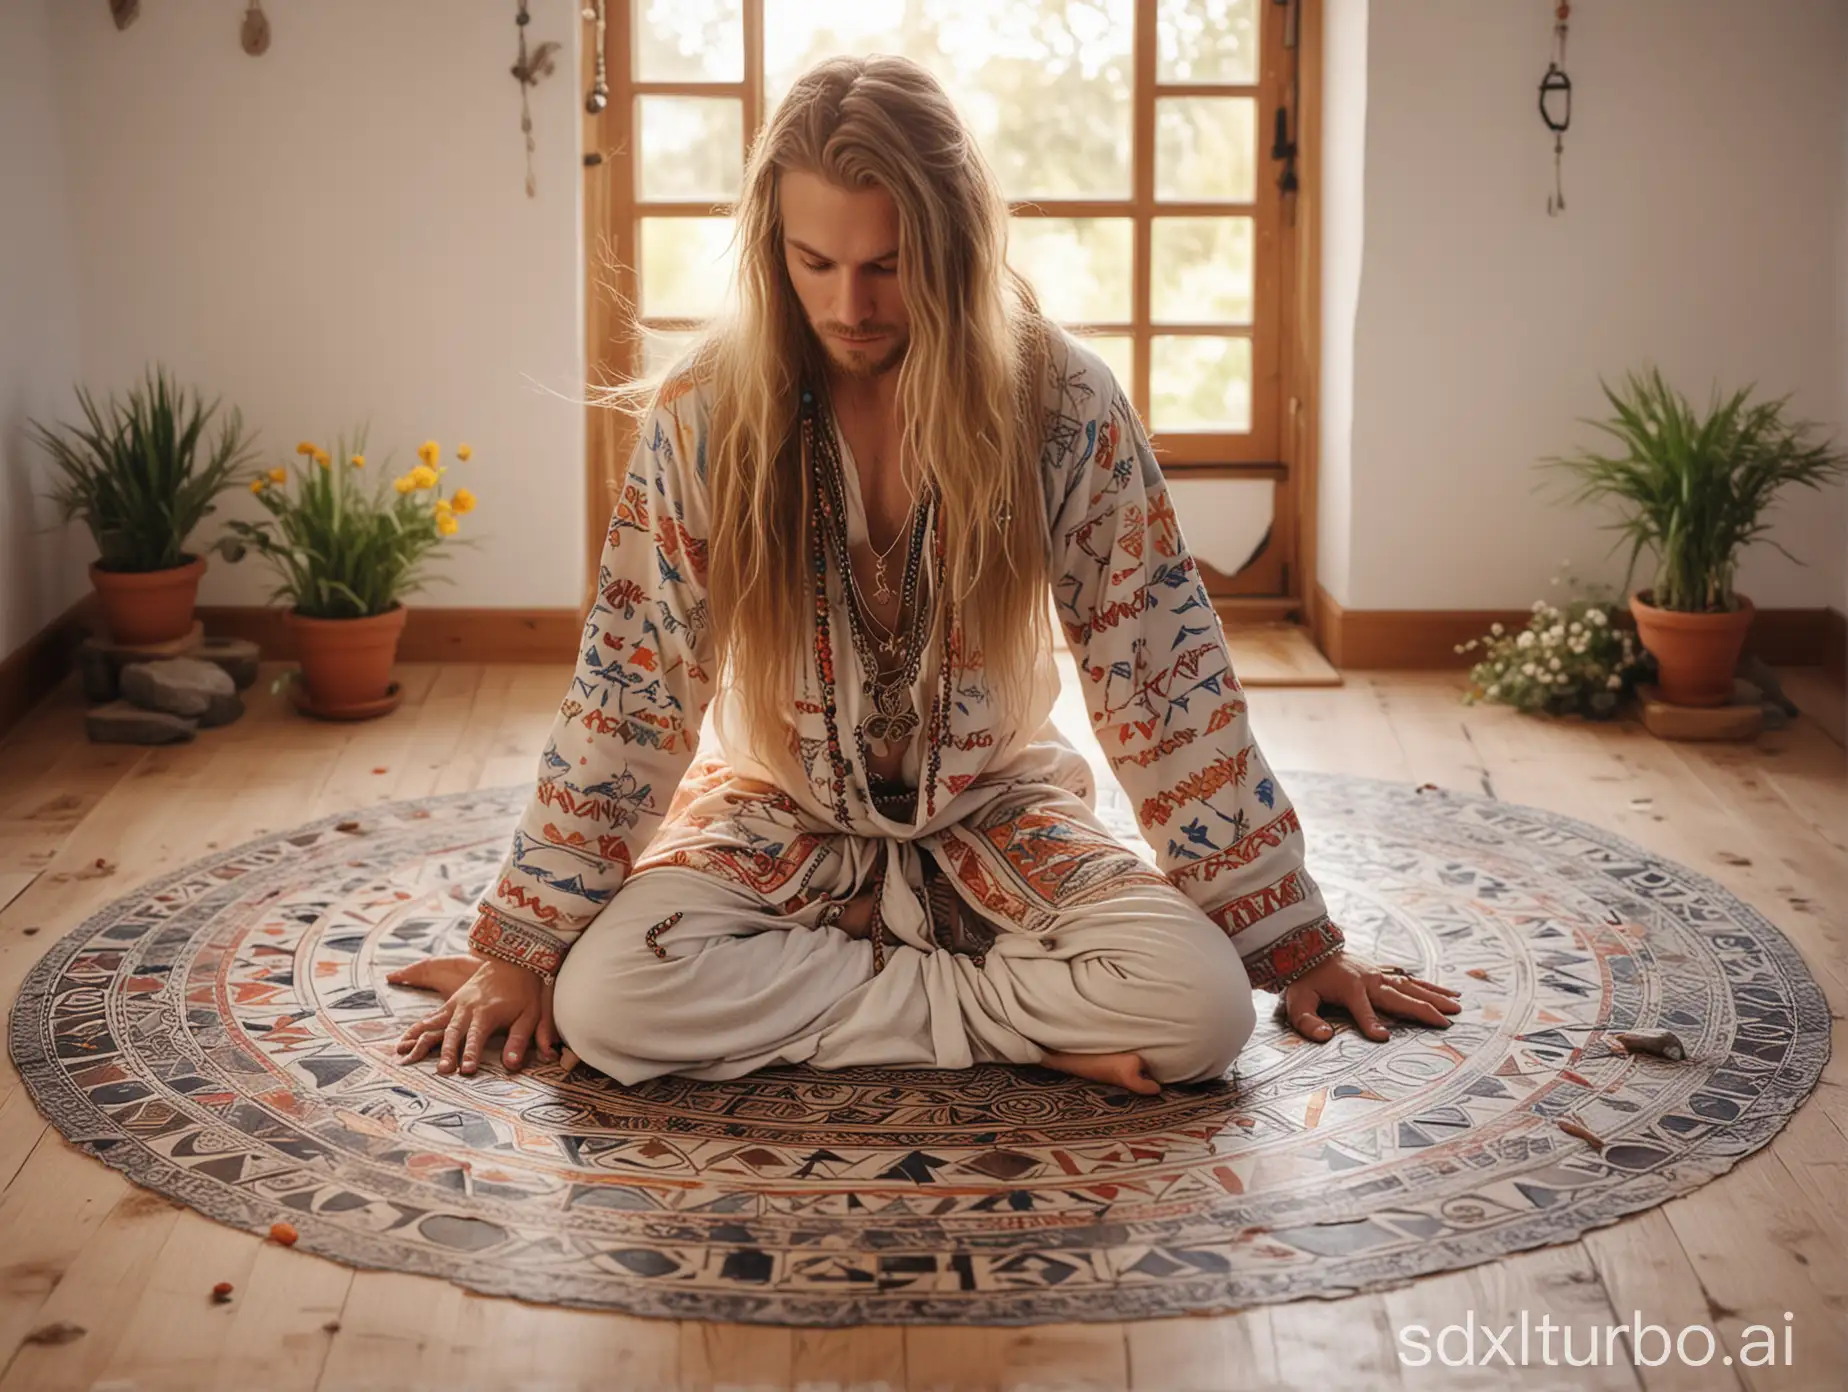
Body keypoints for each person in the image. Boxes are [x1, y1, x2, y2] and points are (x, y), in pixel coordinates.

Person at [391, 54, 1459, 1094]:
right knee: (607, 999)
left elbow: (1164, 679)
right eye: (814, 263)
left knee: (1207, 1010)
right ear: (773, 250)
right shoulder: (703, 413)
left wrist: (1291, 940)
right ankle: (1019, 1029)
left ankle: (890, 1001)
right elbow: (633, 688)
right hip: (776, 821)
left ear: (953, 244)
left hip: (997, 820)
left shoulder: (1062, 403)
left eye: (887, 264)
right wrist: (526, 945)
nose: (849, 302)